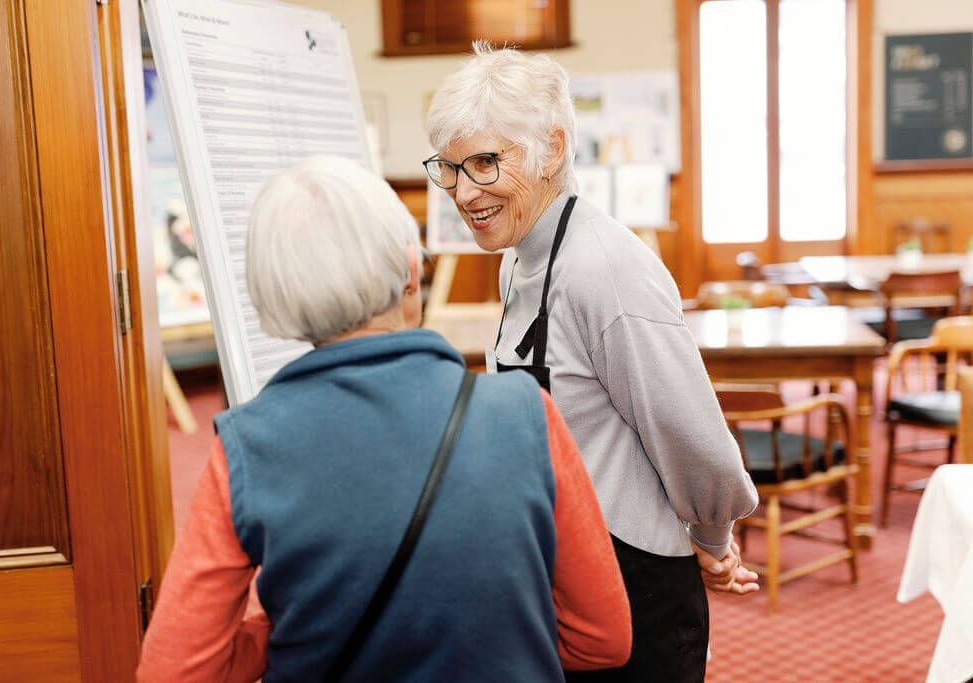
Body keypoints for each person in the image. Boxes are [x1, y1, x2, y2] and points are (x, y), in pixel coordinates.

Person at [137, 156, 631, 682]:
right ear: (412, 269)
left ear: (272, 293)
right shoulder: (525, 413)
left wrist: (284, 636)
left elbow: (174, 672)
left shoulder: (247, 448)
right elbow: (604, 639)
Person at [425, 44, 760, 681]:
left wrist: (713, 541)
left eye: (485, 163)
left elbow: (694, 439)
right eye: (449, 168)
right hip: (556, 570)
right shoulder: (520, 256)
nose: (463, 192)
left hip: (634, 588)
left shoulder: (604, 267)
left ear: (551, 150)